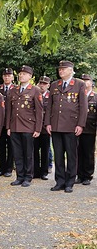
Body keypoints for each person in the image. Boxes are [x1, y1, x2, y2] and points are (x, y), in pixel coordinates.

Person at [45, 60, 87, 193]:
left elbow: (83, 106)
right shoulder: (54, 85)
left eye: (63, 69)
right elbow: (49, 106)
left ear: (70, 70)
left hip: (71, 126)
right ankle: (60, 181)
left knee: (71, 155)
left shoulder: (79, 84)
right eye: (59, 69)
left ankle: (70, 182)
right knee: (58, 155)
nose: (60, 71)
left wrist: (80, 124)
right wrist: (48, 123)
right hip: (56, 125)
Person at [6, 65, 43, 187]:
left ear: (30, 76)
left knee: (28, 153)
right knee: (17, 153)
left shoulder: (35, 90)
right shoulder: (13, 90)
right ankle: (19, 176)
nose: (21, 75)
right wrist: (8, 127)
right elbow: (9, 111)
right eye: (20, 74)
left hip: (28, 126)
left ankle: (28, 177)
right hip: (15, 126)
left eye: (24, 74)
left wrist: (38, 128)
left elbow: (39, 111)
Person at [76, 74, 97, 185]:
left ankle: (87, 175)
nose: (84, 82)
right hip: (77, 128)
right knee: (78, 152)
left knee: (88, 153)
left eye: (87, 80)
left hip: (90, 128)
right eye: (82, 80)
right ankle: (79, 175)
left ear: (91, 83)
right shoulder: (77, 96)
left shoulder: (95, 97)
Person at [0, 68, 15, 177]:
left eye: (9, 75)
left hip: (12, 122)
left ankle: (9, 168)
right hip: (0, 122)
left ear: (12, 77)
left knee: (11, 146)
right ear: (3, 77)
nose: (7, 77)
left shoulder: (16, 89)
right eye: (5, 75)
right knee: (1, 146)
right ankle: (2, 168)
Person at [33, 76, 51, 180]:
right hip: (35, 127)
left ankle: (44, 172)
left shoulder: (51, 96)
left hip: (45, 128)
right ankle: (35, 171)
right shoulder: (35, 95)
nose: (42, 85)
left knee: (45, 151)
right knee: (34, 150)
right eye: (41, 83)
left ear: (48, 85)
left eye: (44, 84)